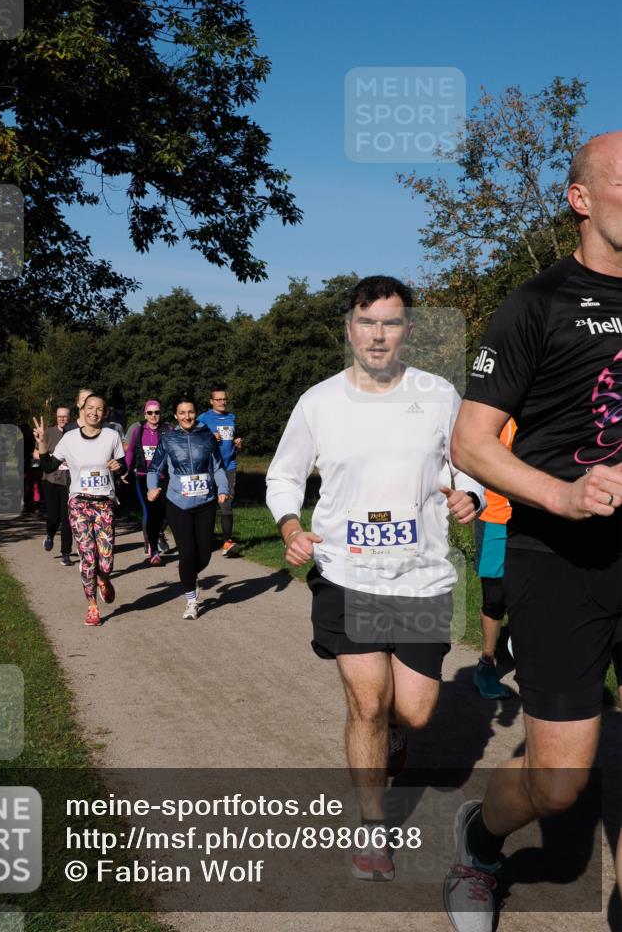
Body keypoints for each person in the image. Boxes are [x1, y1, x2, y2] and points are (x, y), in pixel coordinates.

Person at [445, 131, 622, 931]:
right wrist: (563, 495)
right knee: (558, 783)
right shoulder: (537, 304)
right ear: (580, 199)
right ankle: (480, 843)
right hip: (558, 559)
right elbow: (471, 443)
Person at [266, 275, 484, 881]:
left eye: (391, 322)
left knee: (413, 713)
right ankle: (371, 829)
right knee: (366, 703)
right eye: (367, 322)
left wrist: (469, 494)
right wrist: (290, 525)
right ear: (349, 329)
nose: (378, 335)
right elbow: (284, 475)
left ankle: (394, 735)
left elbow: (469, 463)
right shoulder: (319, 402)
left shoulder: (438, 395)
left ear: (407, 329)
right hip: (347, 572)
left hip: (419, 577)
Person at [35, 394, 126, 626]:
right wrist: (43, 443)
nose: (94, 412)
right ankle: (92, 606)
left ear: (105, 413)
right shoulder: (70, 438)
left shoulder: (112, 436)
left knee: (105, 562)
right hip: (79, 503)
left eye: (99, 409)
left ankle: (104, 578)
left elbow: (123, 464)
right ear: (82, 410)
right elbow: (48, 466)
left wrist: (118, 466)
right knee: (87, 556)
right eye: (90, 408)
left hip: (104, 503)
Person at [147, 395, 230, 620]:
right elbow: (154, 469)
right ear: (176, 415)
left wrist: (223, 489)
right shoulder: (168, 439)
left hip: (205, 502)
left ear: (196, 413)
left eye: (191, 412)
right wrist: (152, 488)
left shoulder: (207, 437)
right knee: (187, 554)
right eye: (182, 413)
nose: (187, 416)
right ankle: (191, 601)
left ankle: (189, 577)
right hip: (178, 504)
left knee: (204, 555)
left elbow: (218, 467)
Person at [472, 417, 516, 699]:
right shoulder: (496, 416)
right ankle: (486, 664)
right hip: (495, 517)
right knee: (495, 597)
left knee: (534, 591)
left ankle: (530, 660)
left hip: (535, 516)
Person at [124, 400, 171, 566]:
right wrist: (126, 469)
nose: (153, 416)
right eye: (150, 413)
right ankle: (153, 550)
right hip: (143, 476)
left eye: (156, 412)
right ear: (145, 415)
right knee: (150, 511)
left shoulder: (168, 429)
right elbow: (130, 450)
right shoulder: (138, 430)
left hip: (163, 477)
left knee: (166, 511)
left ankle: (158, 533)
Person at [198, 385, 244, 555]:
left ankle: (227, 542)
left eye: (224, 399)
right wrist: (209, 438)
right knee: (207, 504)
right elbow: (194, 440)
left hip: (228, 466)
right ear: (211, 401)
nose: (222, 402)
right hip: (209, 467)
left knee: (227, 503)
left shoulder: (232, 417)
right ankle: (204, 540)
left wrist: (238, 442)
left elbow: (234, 438)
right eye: (218, 399)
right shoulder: (203, 419)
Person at [41, 405, 73, 567]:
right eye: (59, 416)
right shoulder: (48, 433)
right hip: (51, 480)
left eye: (65, 416)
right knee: (53, 517)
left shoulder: (75, 433)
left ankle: (66, 553)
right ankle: (50, 534)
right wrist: (53, 456)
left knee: (67, 519)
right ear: (56, 417)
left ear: (70, 418)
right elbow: (37, 453)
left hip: (69, 481)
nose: (62, 419)